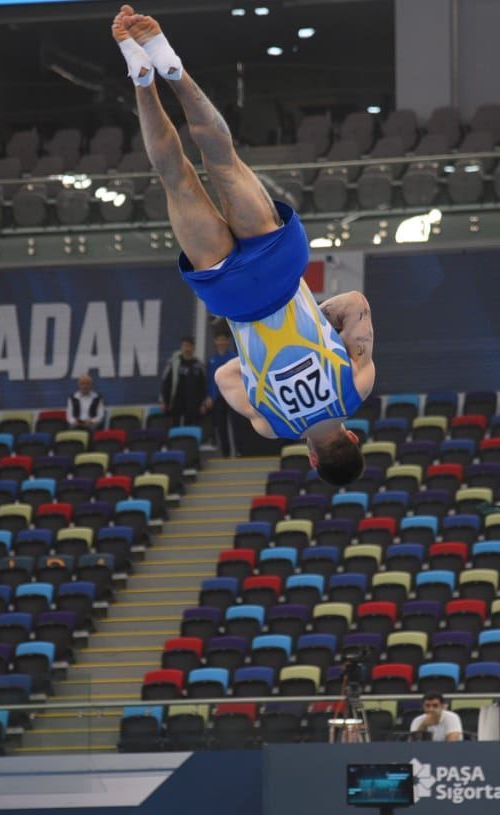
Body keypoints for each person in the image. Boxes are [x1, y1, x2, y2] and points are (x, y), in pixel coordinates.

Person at [113, 6, 373, 486]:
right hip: (234, 298)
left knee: (223, 162)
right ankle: (140, 75)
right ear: (314, 459)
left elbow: (355, 302)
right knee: (176, 179)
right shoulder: (270, 425)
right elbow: (227, 378)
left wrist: (319, 322)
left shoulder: (358, 386)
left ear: (354, 439)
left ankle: (170, 64)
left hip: (280, 267)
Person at [205, 323, 240, 457]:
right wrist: (209, 396)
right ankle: (225, 453)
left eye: (224, 339)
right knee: (221, 426)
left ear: (228, 341)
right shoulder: (212, 360)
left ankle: (238, 451)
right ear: (215, 341)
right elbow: (209, 380)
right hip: (218, 398)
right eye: (219, 339)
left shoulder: (233, 358)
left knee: (236, 424)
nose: (221, 342)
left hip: (232, 396)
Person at [160, 336, 207, 427]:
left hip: (193, 403)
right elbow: (166, 382)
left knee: (190, 428)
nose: (187, 349)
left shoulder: (199, 364)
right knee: (174, 427)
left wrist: (203, 403)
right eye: (184, 346)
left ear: (193, 347)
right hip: (176, 402)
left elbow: (203, 386)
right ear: (181, 347)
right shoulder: (173, 363)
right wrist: (163, 401)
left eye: (189, 346)